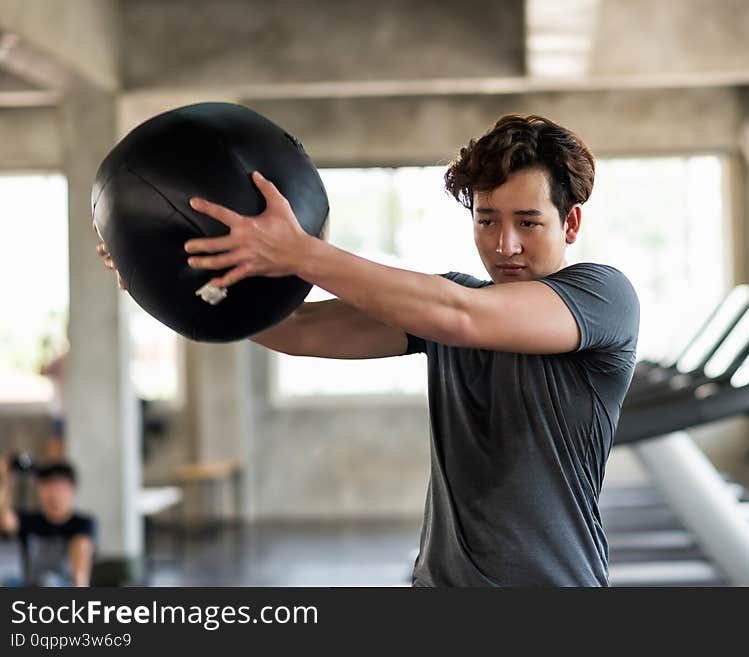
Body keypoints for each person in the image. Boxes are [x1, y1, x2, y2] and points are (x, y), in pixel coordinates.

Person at [98, 114, 639, 586]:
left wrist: (300, 252)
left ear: (570, 223)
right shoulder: (445, 309)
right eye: (487, 220)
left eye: (528, 222)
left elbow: (462, 317)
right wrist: (161, 282)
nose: (505, 245)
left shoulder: (601, 298)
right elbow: (299, 332)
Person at [0, 457, 95, 586]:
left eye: (59, 486)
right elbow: (5, 520)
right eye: (47, 485)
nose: (53, 493)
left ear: (72, 489)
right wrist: (6, 480)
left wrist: (80, 585)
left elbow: (81, 552)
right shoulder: (29, 520)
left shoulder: (82, 523)